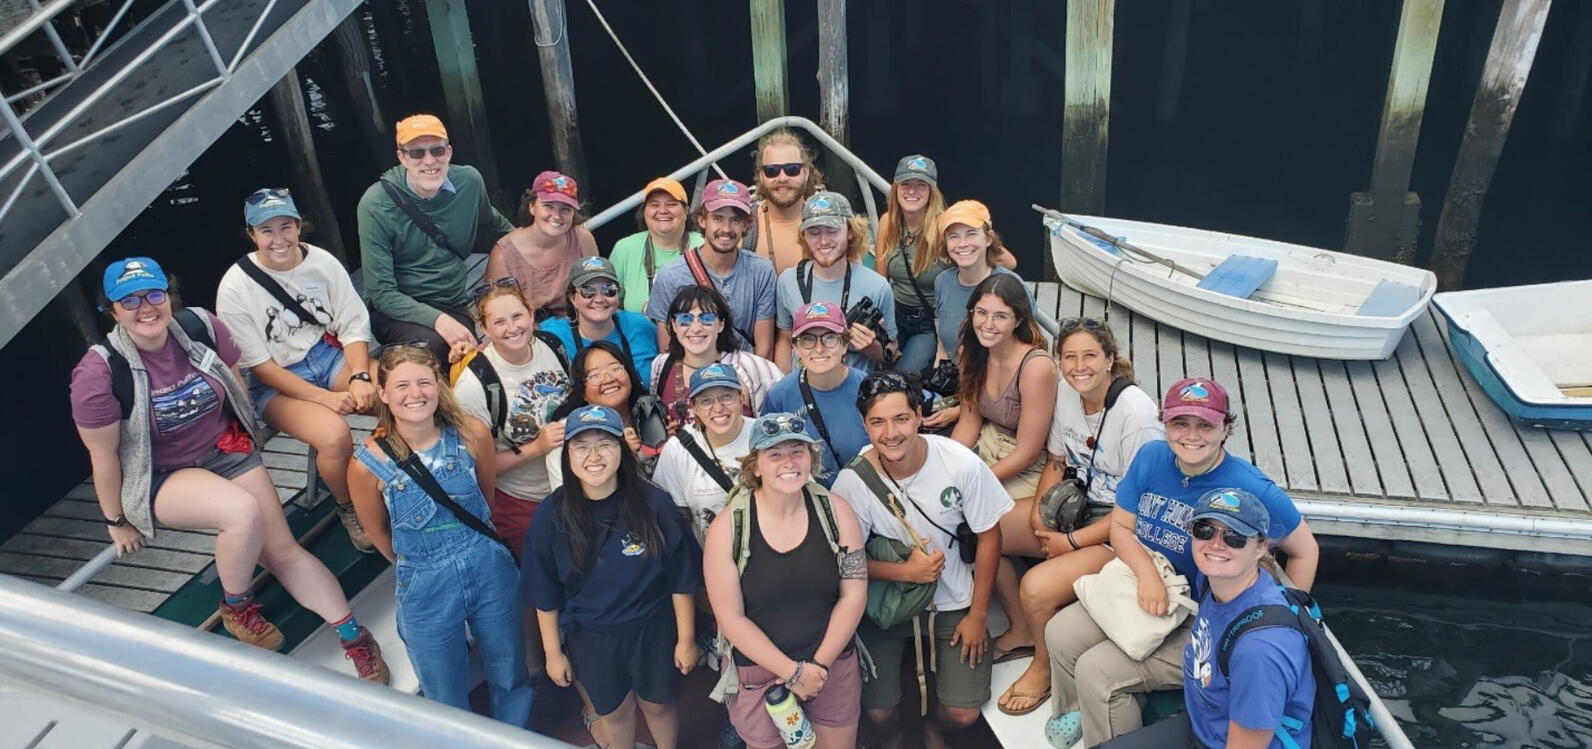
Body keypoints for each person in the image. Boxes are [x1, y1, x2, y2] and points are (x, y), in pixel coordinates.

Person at [74, 257, 388, 683]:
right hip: (163, 474)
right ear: (111, 310)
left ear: (169, 296)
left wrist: (247, 430)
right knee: (241, 512)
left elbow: (235, 377)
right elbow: (104, 456)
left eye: (153, 294)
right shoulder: (98, 373)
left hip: (225, 450)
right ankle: (236, 606)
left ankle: (353, 636)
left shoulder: (201, 327)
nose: (145, 307)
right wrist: (116, 520)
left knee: (283, 550)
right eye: (129, 300)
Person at [1044, 377, 1321, 748]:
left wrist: (1277, 618)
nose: (1192, 435)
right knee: (1060, 633)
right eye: (1180, 423)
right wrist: (1147, 577)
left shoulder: (1252, 487)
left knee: (1098, 671)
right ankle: (1082, 709)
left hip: (1202, 616)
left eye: (1205, 424)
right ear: (1165, 423)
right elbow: (1122, 527)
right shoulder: (1153, 457)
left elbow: (1305, 550)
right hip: (1151, 587)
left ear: (1226, 429)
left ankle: (1110, 726)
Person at [346, 345, 529, 720]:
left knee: (510, 673)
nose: (415, 394)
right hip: (425, 584)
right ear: (383, 394)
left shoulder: (472, 434)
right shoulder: (366, 465)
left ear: (438, 387)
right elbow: (377, 532)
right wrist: (418, 565)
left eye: (423, 383)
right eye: (401, 386)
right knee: (443, 697)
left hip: (487, 565)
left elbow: (486, 497)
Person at [830, 372, 1010, 749]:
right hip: (888, 601)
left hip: (953, 599)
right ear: (865, 425)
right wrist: (905, 571)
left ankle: (935, 729)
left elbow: (990, 536)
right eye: (877, 422)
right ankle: (895, 737)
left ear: (919, 416)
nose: (891, 433)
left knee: (963, 713)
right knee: (877, 713)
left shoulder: (959, 463)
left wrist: (977, 616)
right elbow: (846, 560)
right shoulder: (852, 482)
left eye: (901, 419)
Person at [993, 318, 1162, 716]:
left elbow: (1138, 509)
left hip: (1120, 526)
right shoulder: (1067, 393)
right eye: (1069, 357)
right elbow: (1056, 459)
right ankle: (1021, 628)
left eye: (1090, 356)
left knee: (1035, 586)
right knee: (990, 531)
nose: (1078, 366)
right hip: (1077, 504)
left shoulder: (1136, 415)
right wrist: (1040, 521)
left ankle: (1044, 665)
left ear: (1110, 360)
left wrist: (1069, 544)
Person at [523, 405, 701, 749]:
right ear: (567, 455)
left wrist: (686, 639)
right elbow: (543, 591)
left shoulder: (654, 505)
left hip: (653, 629)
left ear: (622, 448)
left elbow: (681, 578)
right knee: (614, 713)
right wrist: (552, 653)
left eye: (605, 443)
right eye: (581, 446)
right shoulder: (551, 515)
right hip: (592, 637)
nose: (594, 456)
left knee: (658, 706)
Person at [216, 188, 378, 552]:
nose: (279, 239)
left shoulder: (321, 262)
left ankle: (411, 470)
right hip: (275, 381)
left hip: (325, 353)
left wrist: (361, 375)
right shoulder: (234, 287)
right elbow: (259, 365)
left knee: (394, 394)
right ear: (252, 235)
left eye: (285, 227)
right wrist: (324, 398)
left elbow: (352, 322)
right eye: (267, 230)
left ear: (299, 226)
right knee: (334, 436)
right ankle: (348, 506)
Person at [1096, 489, 1315, 749]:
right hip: (1202, 724)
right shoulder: (1214, 582)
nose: (1216, 544)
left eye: (1234, 537)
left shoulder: (1259, 650)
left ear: (1261, 548)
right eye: (1204, 530)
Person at [703, 412, 867, 749]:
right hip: (760, 672)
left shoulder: (836, 512)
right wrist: (794, 673)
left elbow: (853, 594)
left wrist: (816, 668)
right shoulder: (728, 528)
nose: (788, 462)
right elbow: (730, 619)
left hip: (829, 664)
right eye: (774, 454)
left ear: (811, 458)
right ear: (756, 466)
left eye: (798, 451)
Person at [357, 114, 513, 365]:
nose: (429, 161)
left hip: (451, 301)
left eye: (437, 150)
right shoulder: (375, 205)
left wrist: (539, 242)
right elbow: (381, 293)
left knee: (467, 356)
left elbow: (493, 226)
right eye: (417, 153)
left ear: (449, 152)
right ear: (402, 157)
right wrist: (439, 321)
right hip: (398, 308)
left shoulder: (470, 182)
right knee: (433, 351)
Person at [451, 279, 571, 559]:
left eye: (517, 316)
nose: (512, 328)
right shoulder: (474, 385)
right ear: (484, 329)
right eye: (499, 322)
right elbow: (477, 467)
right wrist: (535, 448)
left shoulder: (552, 346)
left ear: (531, 313)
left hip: (572, 485)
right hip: (522, 502)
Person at [874, 156, 1017, 376]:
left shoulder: (944, 225)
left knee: (905, 377)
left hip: (927, 321)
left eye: (921, 185)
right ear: (896, 189)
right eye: (906, 184)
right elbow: (880, 279)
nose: (912, 191)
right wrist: (883, 327)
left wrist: (975, 241)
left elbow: (1009, 262)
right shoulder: (888, 222)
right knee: (871, 365)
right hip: (895, 313)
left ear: (931, 191)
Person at [644, 179, 778, 359]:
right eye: (717, 218)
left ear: (746, 224)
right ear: (702, 220)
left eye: (735, 220)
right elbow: (668, 351)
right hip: (692, 378)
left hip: (746, 376)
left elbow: (764, 350)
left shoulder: (761, 271)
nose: (726, 229)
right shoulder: (671, 275)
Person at [774, 191, 898, 374]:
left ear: (850, 232)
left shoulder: (877, 287)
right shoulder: (787, 281)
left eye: (832, 231)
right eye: (814, 232)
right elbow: (784, 340)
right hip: (803, 389)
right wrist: (785, 386)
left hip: (855, 394)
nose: (823, 241)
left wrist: (871, 348)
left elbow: (893, 351)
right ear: (804, 236)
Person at [649, 286, 783, 434]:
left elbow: (782, 422)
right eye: (685, 319)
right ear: (674, 325)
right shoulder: (660, 365)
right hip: (679, 456)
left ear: (721, 324)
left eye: (707, 319)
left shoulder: (753, 367)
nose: (696, 328)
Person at [761, 303, 869, 486]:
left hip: (864, 499)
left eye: (830, 338)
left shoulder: (868, 389)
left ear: (844, 345)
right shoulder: (780, 396)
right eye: (808, 340)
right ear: (796, 348)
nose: (819, 349)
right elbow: (768, 456)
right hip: (806, 501)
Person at [653, 363, 755, 542]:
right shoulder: (677, 449)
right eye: (706, 401)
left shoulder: (764, 435)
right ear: (694, 407)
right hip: (710, 561)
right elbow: (676, 520)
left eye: (726, 396)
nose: (718, 408)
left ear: (741, 398)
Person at [484, 170, 600, 320]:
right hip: (528, 331)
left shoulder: (583, 239)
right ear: (532, 207)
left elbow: (597, 289)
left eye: (565, 209)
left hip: (579, 323)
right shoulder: (503, 254)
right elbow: (497, 311)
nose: (557, 216)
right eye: (548, 206)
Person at [931, 199, 1031, 368]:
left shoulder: (1012, 285)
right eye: (953, 236)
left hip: (1000, 382)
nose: (962, 244)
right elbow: (943, 344)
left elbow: (1030, 342)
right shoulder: (943, 282)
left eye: (971, 234)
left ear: (988, 238)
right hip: (955, 378)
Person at [546, 341, 648, 486]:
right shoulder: (566, 435)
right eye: (595, 375)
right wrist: (623, 455)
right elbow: (568, 499)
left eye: (615, 369)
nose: (608, 379)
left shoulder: (650, 417)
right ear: (583, 392)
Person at [539, 256, 660, 377]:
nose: (599, 299)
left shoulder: (641, 326)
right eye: (588, 291)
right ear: (572, 298)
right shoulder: (553, 337)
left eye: (608, 290)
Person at [610, 177, 703, 314]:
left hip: (693, 333)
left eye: (671, 204)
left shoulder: (703, 246)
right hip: (639, 334)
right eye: (654, 205)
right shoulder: (625, 248)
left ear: (686, 211)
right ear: (644, 212)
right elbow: (610, 303)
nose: (663, 210)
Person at [750, 127, 823, 275]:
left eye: (792, 169)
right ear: (761, 175)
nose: (782, 178)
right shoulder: (744, 228)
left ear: (806, 172)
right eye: (772, 171)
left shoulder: (830, 224)